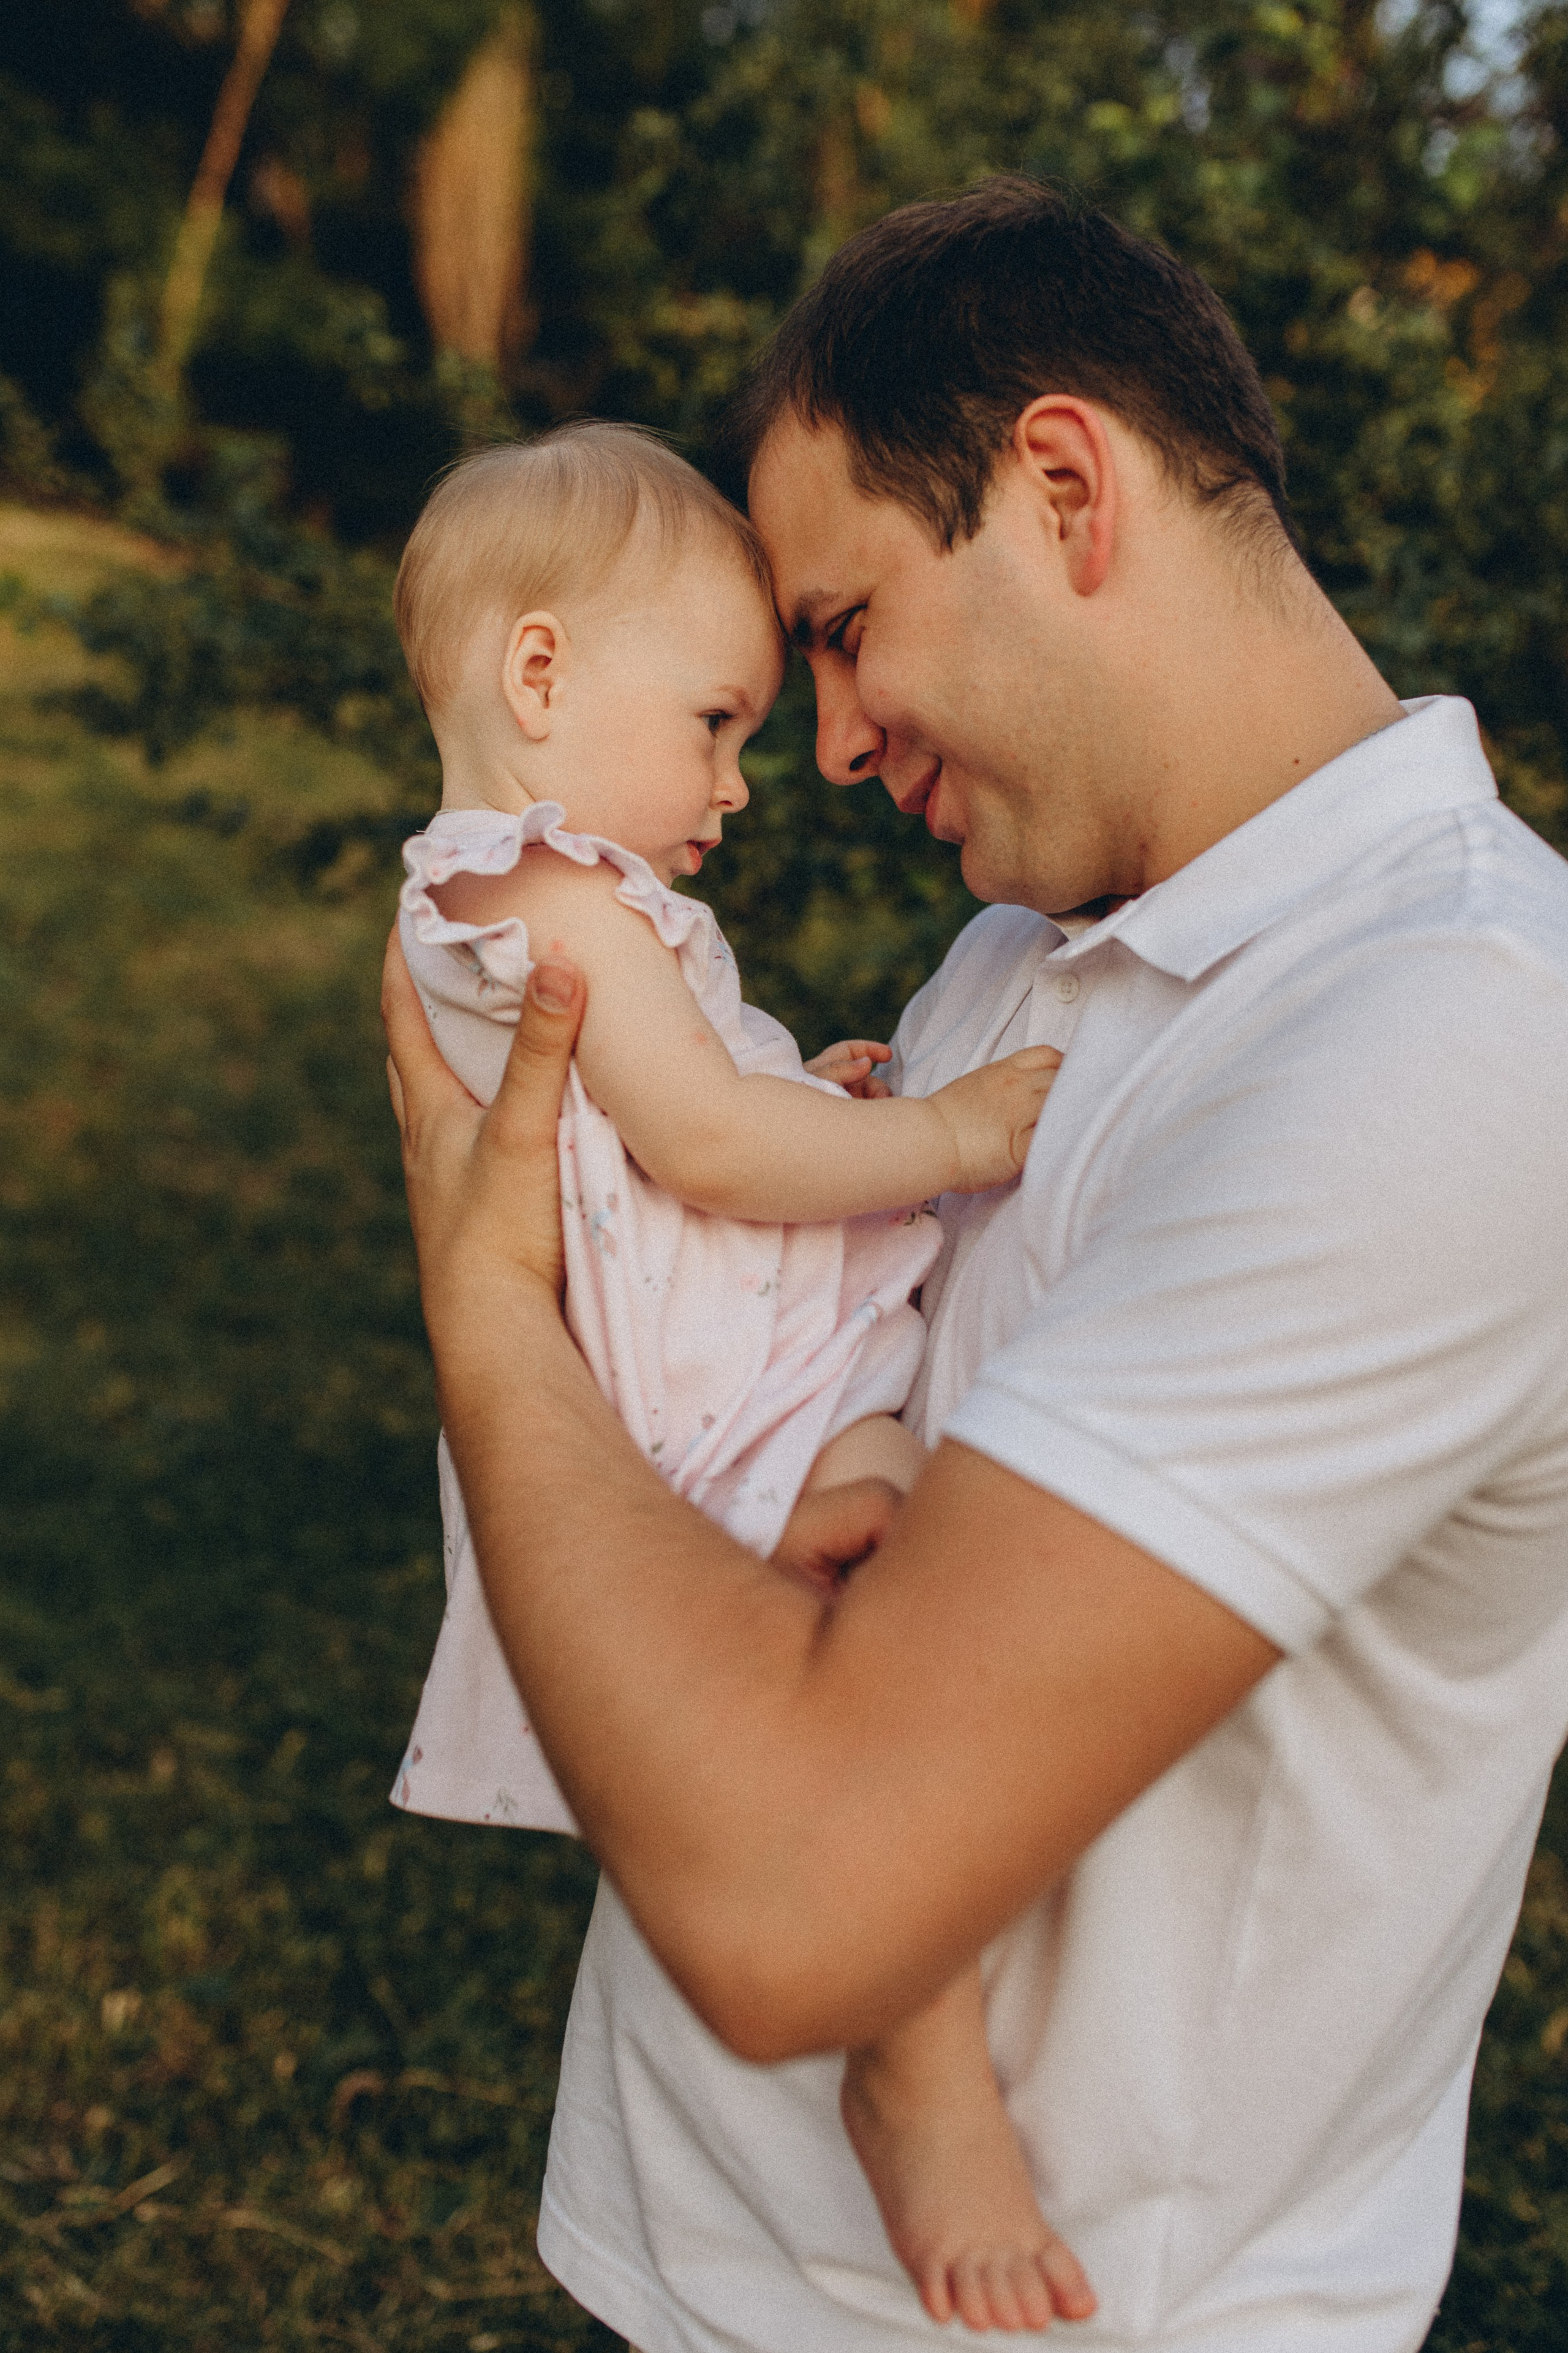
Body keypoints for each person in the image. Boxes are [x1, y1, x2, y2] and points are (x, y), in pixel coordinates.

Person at [382, 176, 1568, 2353]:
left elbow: (799, 1893)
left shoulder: (1464, 1038)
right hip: (698, 2248)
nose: (830, 743)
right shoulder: (1026, 947)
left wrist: (486, 1314)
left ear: (1062, 489)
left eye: (846, 627)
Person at [383, 422, 1090, 2332]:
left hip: (727, 1366)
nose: (742, 781)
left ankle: (909, 2035)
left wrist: (807, 1088)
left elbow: (684, 1107)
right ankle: (919, 2063)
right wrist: (945, 1133)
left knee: (894, 1587)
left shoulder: (518, 902)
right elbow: (702, 1147)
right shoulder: (543, 895)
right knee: (895, 1645)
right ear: (540, 676)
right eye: (715, 722)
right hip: (711, 1396)